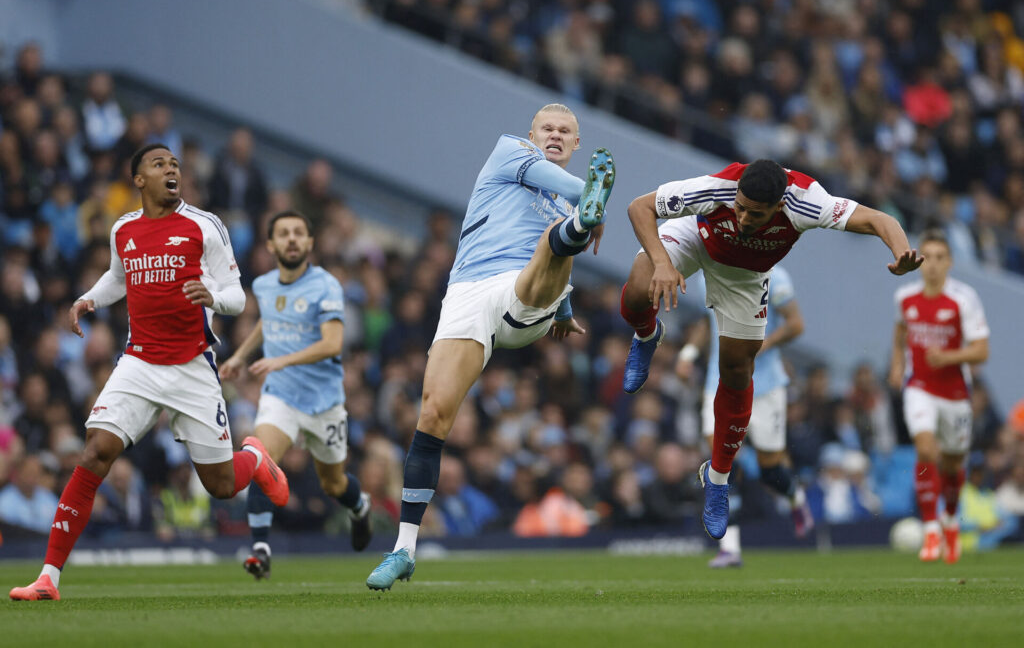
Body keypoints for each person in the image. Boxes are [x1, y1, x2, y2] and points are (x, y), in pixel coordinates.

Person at [9, 144, 288, 601]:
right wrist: (89, 299)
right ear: (138, 179)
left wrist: (211, 297)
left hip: (193, 366)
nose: (171, 170)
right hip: (139, 361)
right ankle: (49, 578)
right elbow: (120, 276)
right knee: (96, 452)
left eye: (175, 164)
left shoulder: (205, 225)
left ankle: (254, 458)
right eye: (159, 165)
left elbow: (237, 295)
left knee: (220, 486)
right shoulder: (123, 229)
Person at [365, 103, 614, 590]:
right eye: (549, 128)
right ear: (532, 134)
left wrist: (562, 309)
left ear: (577, 144)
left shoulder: (568, 202)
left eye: (566, 132)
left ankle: (579, 231)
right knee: (434, 414)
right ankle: (404, 549)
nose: (556, 136)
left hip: (521, 295)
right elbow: (568, 193)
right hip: (468, 292)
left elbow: (555, 256)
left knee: (556, 238)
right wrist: (589, 198)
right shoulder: (510, 150)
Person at [618, 159, 923, 541]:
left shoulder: (808, 202)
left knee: (736, 370)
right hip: (696, 237)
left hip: (744, 278)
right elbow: (638, 207)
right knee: (637, 291)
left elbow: (880, 219)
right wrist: (662, 262)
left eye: (755, 213)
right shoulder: (719, 187)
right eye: (740, 207)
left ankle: (717, 479)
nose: (743, 217)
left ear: (780, 205)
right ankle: (647, 335)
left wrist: (901, 250)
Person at [220, 210, 372, 581]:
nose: (291, 238)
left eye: (298, 233)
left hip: (324, 402)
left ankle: (360, 508)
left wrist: (279, 359)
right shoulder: (265, 285)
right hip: (281, 397)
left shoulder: (326, 286)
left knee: (333, 484)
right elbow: (268, 321)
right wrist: (241, 356)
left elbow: (332, 342)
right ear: (271, 244)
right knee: (258, 456)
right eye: (283, 233)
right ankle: (260, 549)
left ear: (309, 243)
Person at [679, 266, 813, 567]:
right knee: (722, 462)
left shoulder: (775, 275)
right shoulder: (709, 274)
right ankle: (730, 548)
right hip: (719, 382)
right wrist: (688, 353)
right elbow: (707, 318)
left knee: (771, 471)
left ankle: (795, 498)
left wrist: (760, 347)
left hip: (765, 387)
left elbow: (796, 324)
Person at [888, 229, 989, 563]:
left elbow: (981, 351)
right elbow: (900, 330)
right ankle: (931, 529)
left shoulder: (964, 299)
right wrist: (897, 364)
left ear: (950, 262)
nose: (932, 265)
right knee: (925, 448)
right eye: (926, 257)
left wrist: (948, 357)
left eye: (940, 258)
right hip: (919, 387)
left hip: (956, 393)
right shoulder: (905, 296)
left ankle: (950, 520)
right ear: (920, 260)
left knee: (952, 465)